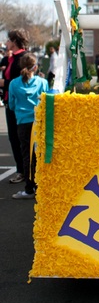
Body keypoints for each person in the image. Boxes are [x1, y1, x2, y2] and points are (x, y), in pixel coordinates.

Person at [8, 53, 49, 199]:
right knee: (39, 154)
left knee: (26, 155)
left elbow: (11, 105)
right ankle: (41, 187)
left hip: (23, 122)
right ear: (36, 67)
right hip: (38, 122)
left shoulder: (14, 83)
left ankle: (29, 188)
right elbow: (46, 102)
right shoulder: (42, 82)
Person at [0, 29, 29, 183]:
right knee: (14, 138)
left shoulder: (23, 57)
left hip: (20, 104)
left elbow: (23, 81)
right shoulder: (10, 58)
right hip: (9, 101)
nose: (6, 43)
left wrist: (4, 83)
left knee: (21, 138)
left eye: (9, 40)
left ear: (15, 41)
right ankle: (22, 170)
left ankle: (25, 172)